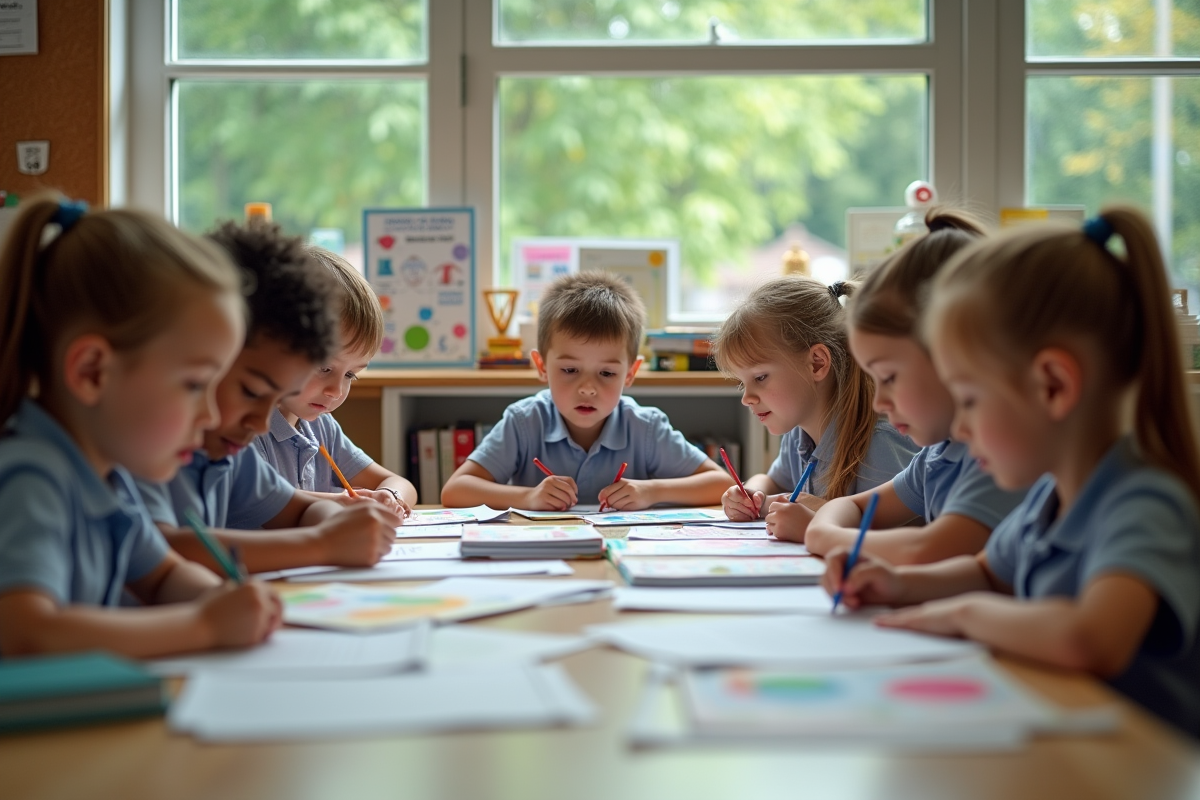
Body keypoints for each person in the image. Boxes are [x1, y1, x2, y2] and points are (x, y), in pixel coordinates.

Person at [825, 207, 1200, 736]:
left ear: (1052, 386)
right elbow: (987, 572)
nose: (963, 424)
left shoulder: (1144, 502)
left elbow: (1091, 640)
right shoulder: (1050, 494)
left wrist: (963, 616)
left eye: (971, 399)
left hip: (1140, 766)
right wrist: (898, 583)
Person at [0, 196, 280, 657]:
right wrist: (205, 626)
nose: (211, 416)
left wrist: (221, 598)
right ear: (93, 372)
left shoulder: (107, 476)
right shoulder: (31, 478)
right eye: (194, 384)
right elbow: (27, 633)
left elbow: (162, 575)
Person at [138, 220, 400, 575]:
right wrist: (324, 543)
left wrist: (335, 522)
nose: (263, 421)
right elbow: (163, 553)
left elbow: (296, 509)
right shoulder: (150, 450)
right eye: (252, 392)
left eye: (280, 394)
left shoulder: (227, 454)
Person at [802, 209, 1026, 563]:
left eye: (889, 378)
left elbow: (929, 550)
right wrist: (823, 531)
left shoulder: (997, 456)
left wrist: (827, 536)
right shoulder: (937, 455)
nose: (879, 402)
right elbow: (849, 508)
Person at [441, 272, 729, 510]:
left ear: (630, 373)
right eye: (569, 370)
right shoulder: (524, 421)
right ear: (541, 366)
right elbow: (455, 491)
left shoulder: (645, 427)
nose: (588, 388)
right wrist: (527, 497)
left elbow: (721, 485)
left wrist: (651, 491)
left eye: (607, 373)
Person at [712, 276, 917, 540]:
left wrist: (816, 521)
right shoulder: (799, 431)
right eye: (743, 383)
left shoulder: (879, 442)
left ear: (817, 363)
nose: (747, 398)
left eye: (760, 378)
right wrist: (752, 493)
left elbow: (894, 537)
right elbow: (774, 481)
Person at [252, 246, 417, 515]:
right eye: (324, 368)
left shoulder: (321, 429)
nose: (336, 391)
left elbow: (401, 484)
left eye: (351, 375)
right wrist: (343, 503)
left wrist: (388, 496)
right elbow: (262, 500)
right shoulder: (248, 426)